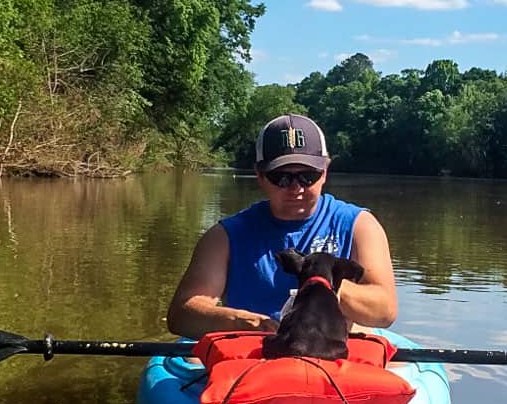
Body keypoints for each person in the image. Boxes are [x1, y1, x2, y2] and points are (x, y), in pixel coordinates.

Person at [166, 113, 398, 339]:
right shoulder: (224, 236)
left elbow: (385, 311)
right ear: (260, 175)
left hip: (329, 352)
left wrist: (320, 282)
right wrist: (239, 322)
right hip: (250, 354)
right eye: (282, 177)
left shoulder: (359, 226)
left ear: (325, 172)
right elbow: (181, 314)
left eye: (308, 176)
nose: (296, 188)